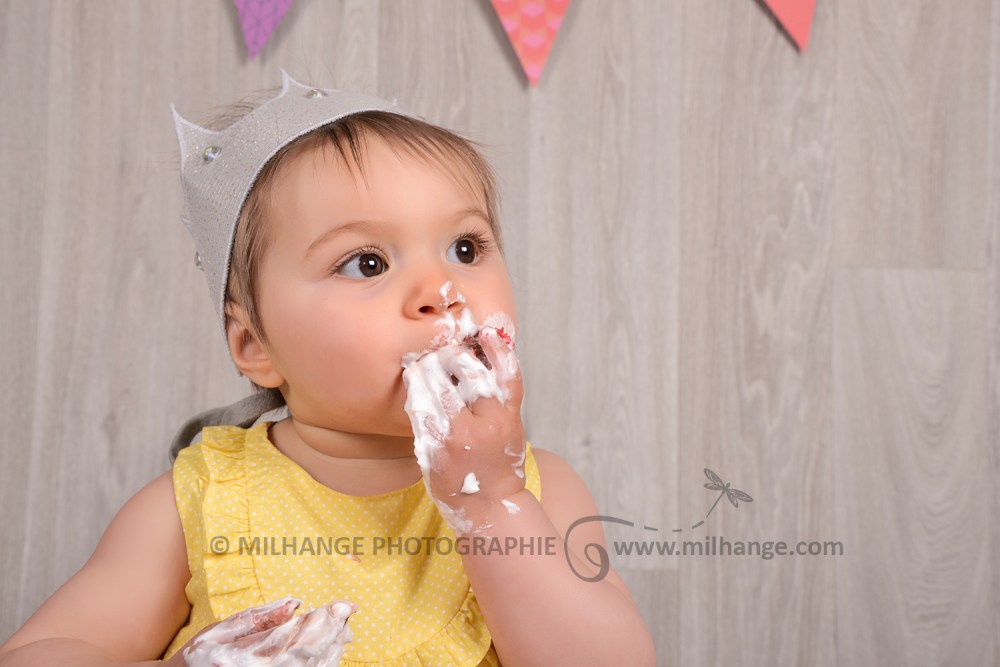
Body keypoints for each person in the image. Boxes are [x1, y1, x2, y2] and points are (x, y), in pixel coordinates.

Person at [0, 71, 655, 666]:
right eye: (367, 263)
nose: (442, 291)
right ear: (255, 344)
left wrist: (490, 501)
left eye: (465, 247)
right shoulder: (201, 500)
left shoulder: (537, 491)